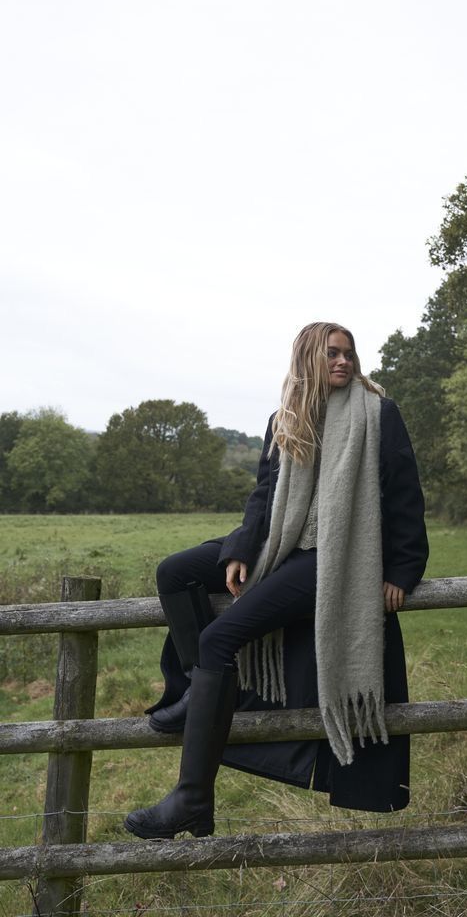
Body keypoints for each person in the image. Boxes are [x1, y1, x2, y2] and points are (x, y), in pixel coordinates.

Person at [124, 321, 429, 840]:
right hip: (280, 543)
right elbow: (265, 494)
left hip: (333, 557)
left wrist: (401, 570)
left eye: (349, 354)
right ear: (309, 357)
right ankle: (196, 688)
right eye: (332, 354)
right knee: (174, 572)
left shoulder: (376, 413)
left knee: (219, 638)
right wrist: (242, 547)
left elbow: (404, 494)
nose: (344, 362)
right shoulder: (285, 417)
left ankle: (192, 800)